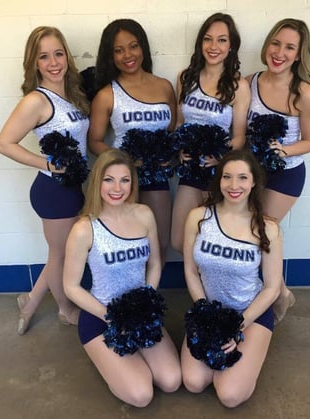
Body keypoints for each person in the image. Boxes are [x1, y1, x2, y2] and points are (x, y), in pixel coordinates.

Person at [63, 149, 181, 407]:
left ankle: (132, 356)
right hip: (101, 317)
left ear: (132, 182)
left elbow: (155, 264)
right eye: (109, 179)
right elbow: (70, 287)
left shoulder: (143, 214)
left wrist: (146, 303)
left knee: (171, 381)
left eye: (124, 180)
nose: (117, 188)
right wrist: (111, 316)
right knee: (141, 395)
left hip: (140, 314)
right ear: (97, 182)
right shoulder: (84, 228)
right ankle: (107, 356)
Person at [0, 26, 90, 334]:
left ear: (67, 56)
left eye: (58, 53)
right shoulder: (36, 100)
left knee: (59, 254)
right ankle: (65, 310)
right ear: (34, 63)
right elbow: (4, 142)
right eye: (44, 56)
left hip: (72, 188)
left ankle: (31, 299)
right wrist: (49, 164)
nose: (53, 62)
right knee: (61, 256)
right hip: (53, 191)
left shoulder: (71, 94)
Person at [181, 149, 282, 407]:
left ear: (254, 182)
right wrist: (204, 314)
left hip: (249, 314)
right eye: (227, 177)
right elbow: (191, 271)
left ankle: (256, 346)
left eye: (242, 178)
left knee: (229, 395)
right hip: (209, 312)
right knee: (194, 382)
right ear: (219, 179)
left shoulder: (267, 227)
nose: (233, 185)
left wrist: (238, 327)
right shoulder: (199, 217)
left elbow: (271, 287)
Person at [246, 18, 310, 323]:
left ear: (299, 54)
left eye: (289, 47)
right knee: (252, 232)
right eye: (276, 43)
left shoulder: (304, 94)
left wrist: (283, 150)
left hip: (285, 174)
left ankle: (274, 292)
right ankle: (280, 292)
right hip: (251, 174)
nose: (280, 52)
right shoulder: (248, 82)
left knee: (262, 231)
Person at [88, 19, 176, 267]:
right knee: (127, 243)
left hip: (157, 176)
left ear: (143, 48)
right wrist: (124, 162)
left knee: (159, 242)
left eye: (133, 46)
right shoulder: (107, 94)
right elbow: (94, 141)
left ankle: (149, 297)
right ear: (110, 55)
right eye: (118, 50)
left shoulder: (164, 87)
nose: (128, 55)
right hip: (122, 180)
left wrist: (170, 153)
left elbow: (172, 132)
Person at [171, 12, 251, 253]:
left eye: (222, 40)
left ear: (231, 46)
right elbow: (179, 124)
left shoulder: (238, 85)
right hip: (191, 171)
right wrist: (179, 150)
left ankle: (208, 289)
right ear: (200, 43)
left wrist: (222, 157)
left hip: (220, 173)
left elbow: (239, 136)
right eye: (208, 39)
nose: (213, 46)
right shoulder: (185, 78)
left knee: (212, 238)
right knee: (179, 240)